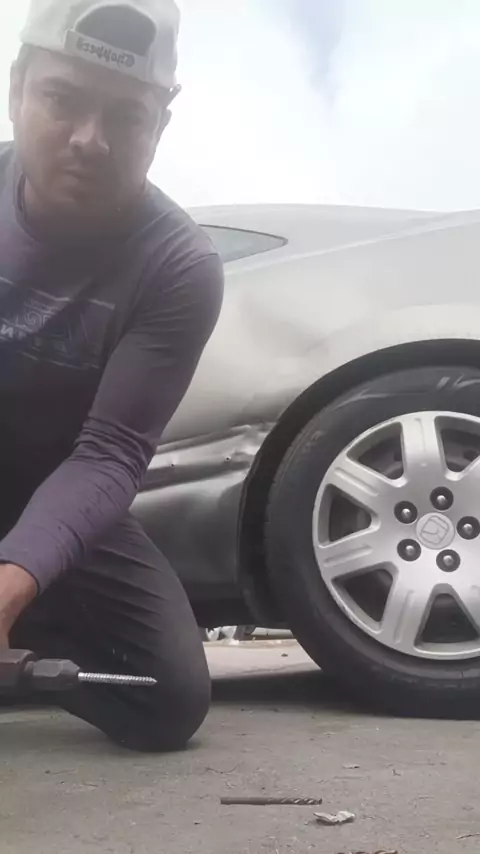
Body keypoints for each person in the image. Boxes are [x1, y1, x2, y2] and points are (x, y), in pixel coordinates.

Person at [0, 0, 224, 751]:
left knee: (167, 699)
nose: (89, 140)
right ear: (17, 86)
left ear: (162, 123)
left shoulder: (180, 266)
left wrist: (17, 574)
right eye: (62, 99)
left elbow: (111, 452)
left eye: (126, 116)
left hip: (62, 484)